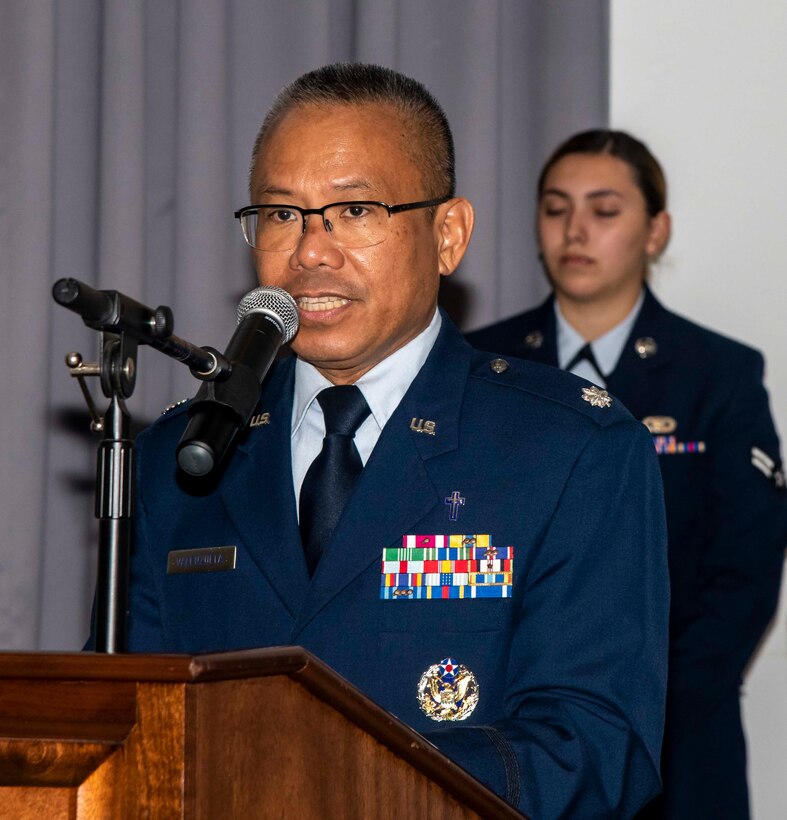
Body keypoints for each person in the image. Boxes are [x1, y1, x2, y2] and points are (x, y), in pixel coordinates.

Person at [122, 68, 669, 818]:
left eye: (353, 209)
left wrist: (335, 782)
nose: (310, 252)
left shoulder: (568, 450)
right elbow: (127, 726)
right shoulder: (179, 459)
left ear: (447, 236)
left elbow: (594, 748)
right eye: (281, 214)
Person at [467, 129, 787, 819]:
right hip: (507, 739)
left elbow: (744, 577)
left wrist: (630, 705)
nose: (574, 229)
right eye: (555, 208)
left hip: (678, 745)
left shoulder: (719, 376)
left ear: (655, 230)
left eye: (603, 210)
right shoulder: (478, 368)